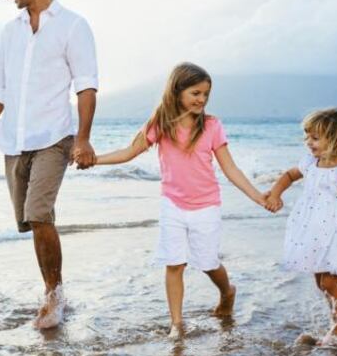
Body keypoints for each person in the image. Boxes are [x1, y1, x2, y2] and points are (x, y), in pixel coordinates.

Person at [0, 0, 98, 329]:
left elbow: (86, 86)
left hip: (54, 137)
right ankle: (51, 287)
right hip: (14, 141)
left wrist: (84, 140)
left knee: (39, 213)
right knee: (30, 221)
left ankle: (54, 296)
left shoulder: (74, 26)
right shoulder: (9, 32)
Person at [93, 63, 267, 337]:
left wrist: (257, 196)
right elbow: (129, 152)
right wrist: (94, 160)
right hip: (172, 204)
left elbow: (230, 168)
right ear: (177, 91)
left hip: (206, 205)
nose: (201, 99)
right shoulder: (160, 124)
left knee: (208, 263)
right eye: (195, 93)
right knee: (174, 264)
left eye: (205, 94)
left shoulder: (211, 126)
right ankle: (177, 323)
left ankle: (227, 292)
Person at [264, 108, 337, 344]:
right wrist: (276, 195)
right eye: (307, 136)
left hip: (336, 236)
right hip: (314, 235)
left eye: (315, 138)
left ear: (335, 140)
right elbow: (288, 175)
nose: (308, 142)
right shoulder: (311, 163)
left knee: (330, 283)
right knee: (321, 283)